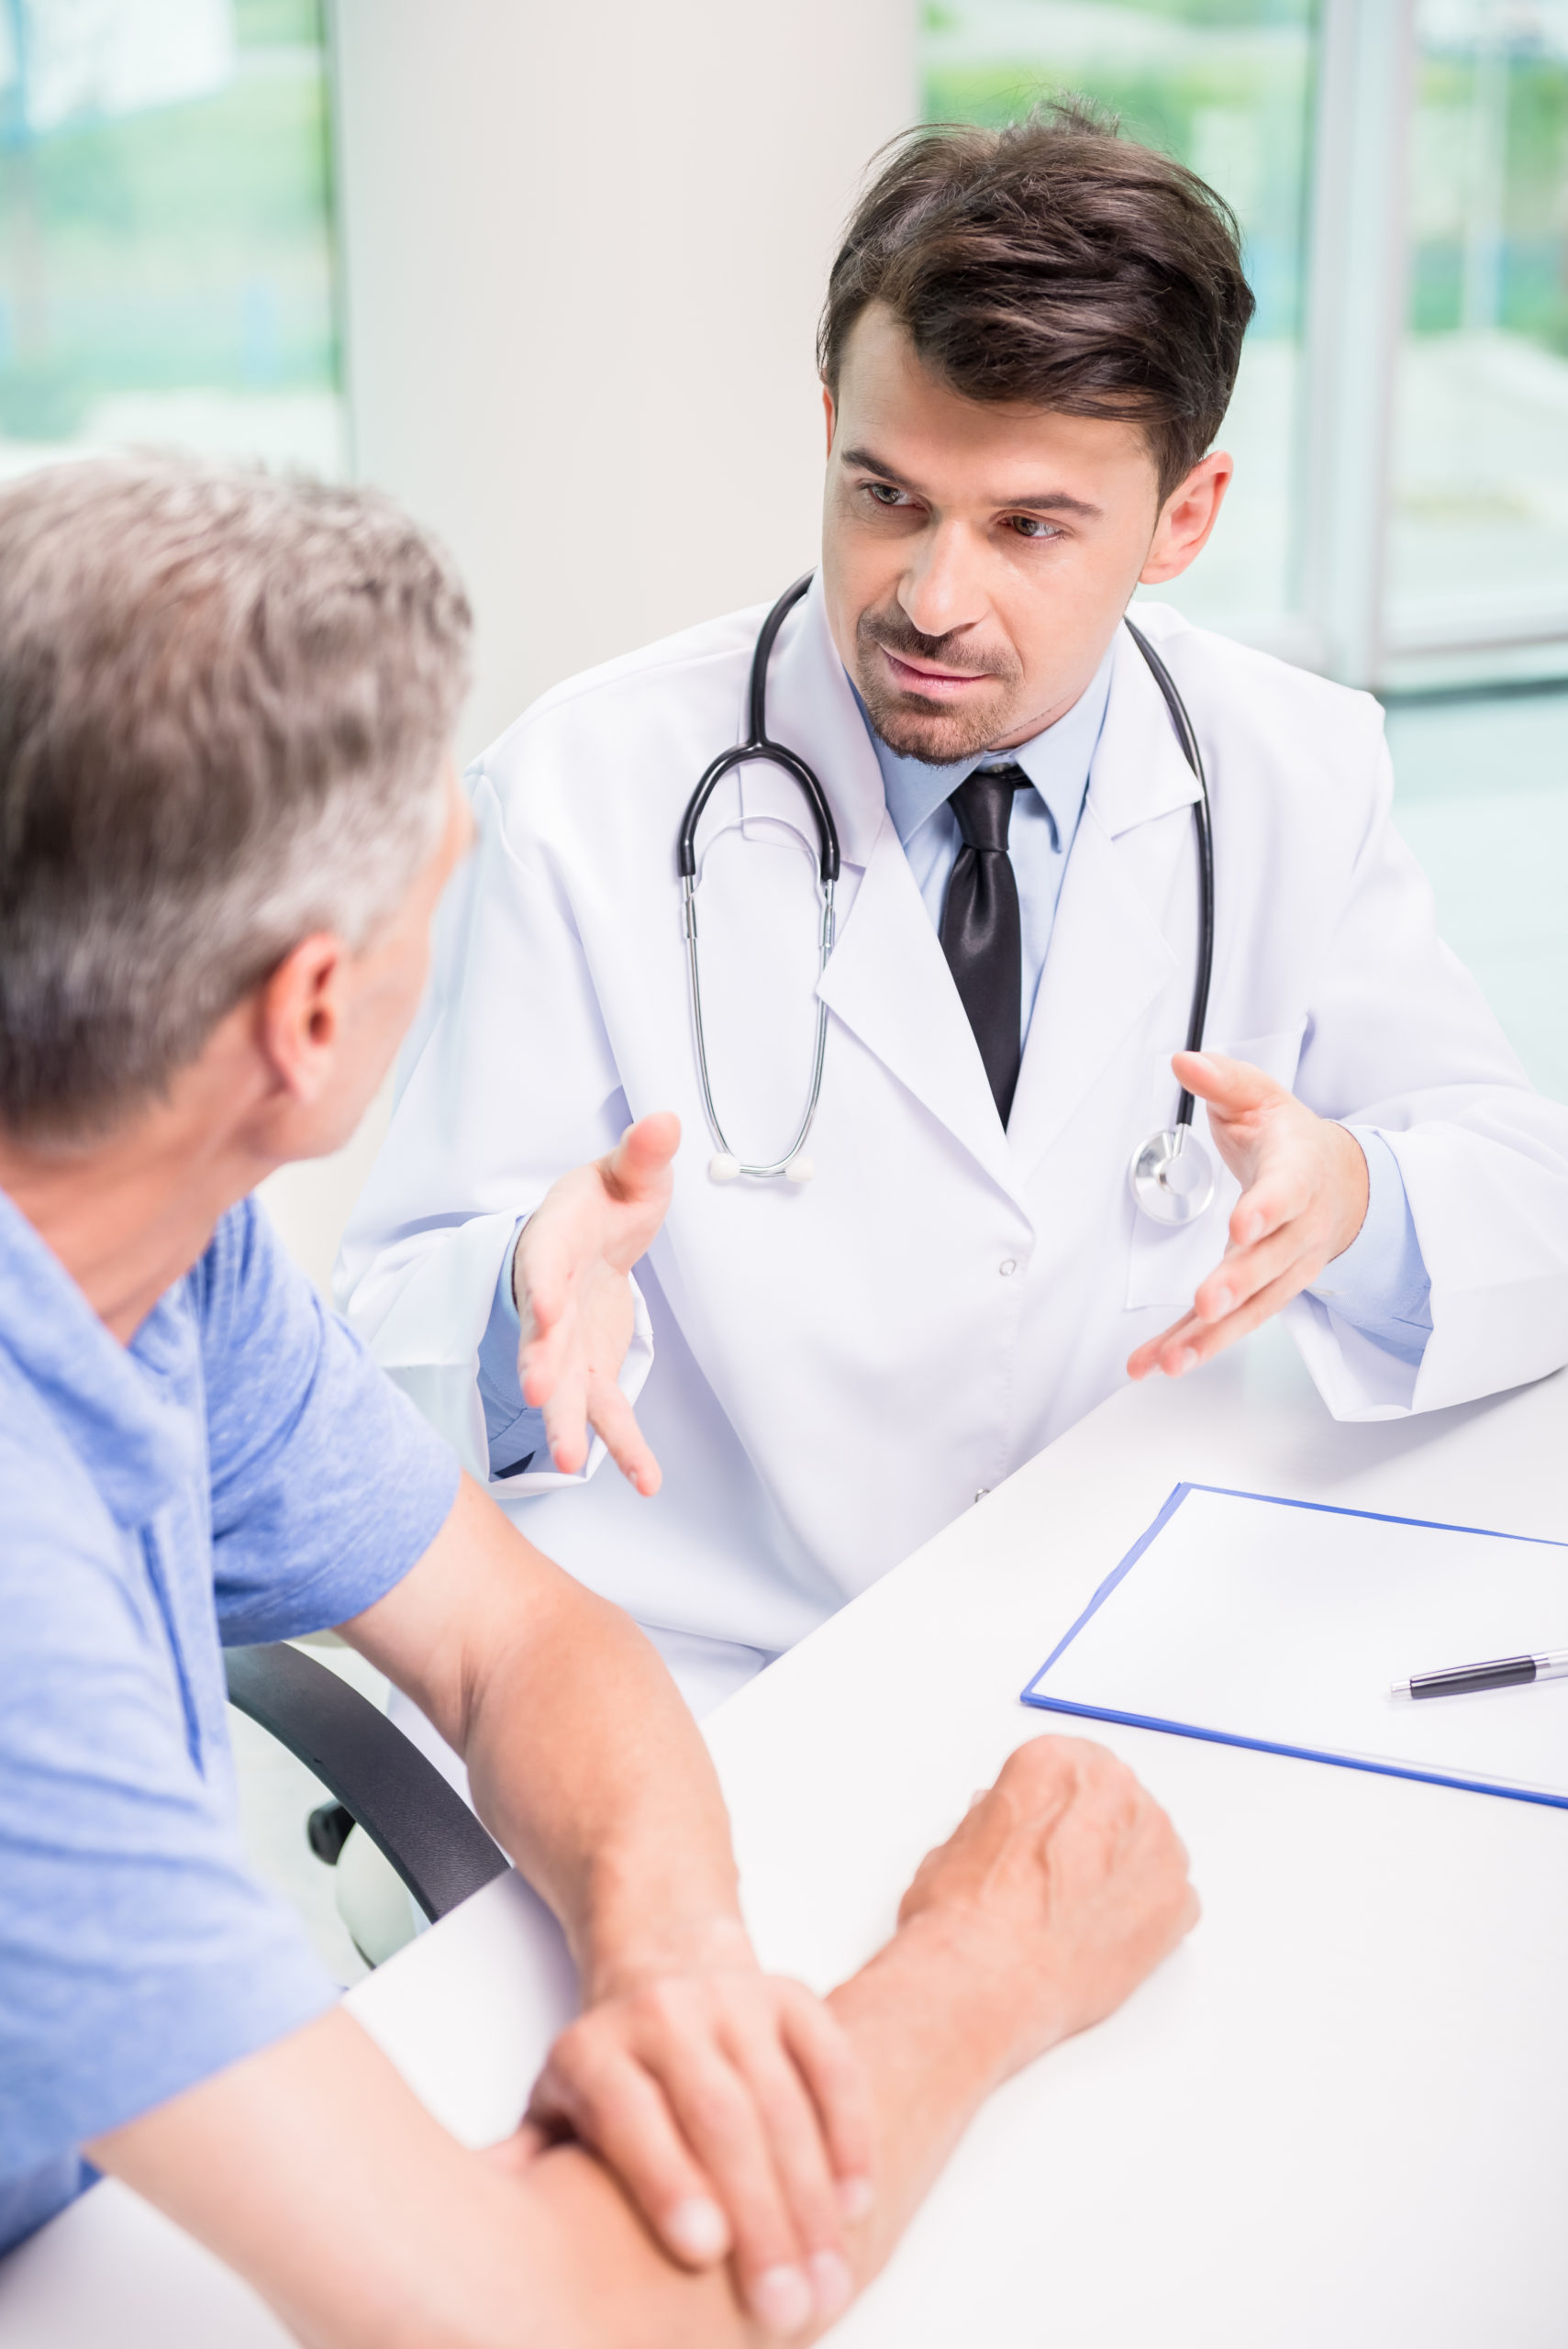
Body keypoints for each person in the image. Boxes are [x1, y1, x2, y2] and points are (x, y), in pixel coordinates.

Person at [0, 453, 1196, 2344]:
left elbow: (511, 1632)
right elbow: (541, 2325)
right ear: (311, 1020)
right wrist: (992, 1954)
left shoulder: (151, 1240)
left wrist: (676, 1965)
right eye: (430, 883)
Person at [339, 104, 1568, 1740]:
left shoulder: (1290, 766)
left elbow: (1527, 1212)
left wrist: (1355, 1196)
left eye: (1028, 527)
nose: (929, 597)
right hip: (713, 1694)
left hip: (1138, 1658)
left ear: (1181, 520)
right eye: (887, 495)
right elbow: (382, 1344)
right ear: (831, 418)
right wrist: (516, 1302)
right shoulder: (589, 787)